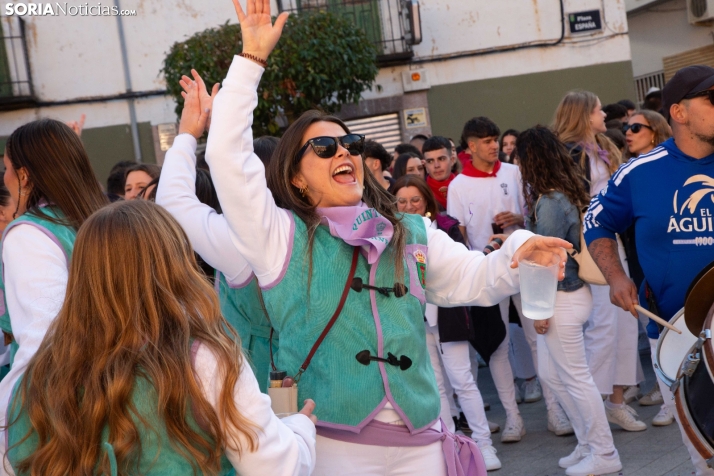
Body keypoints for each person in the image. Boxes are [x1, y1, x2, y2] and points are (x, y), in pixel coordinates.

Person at [202, 2, 569, 474]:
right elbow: (229, 160)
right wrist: (250, 61)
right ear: (294, 178)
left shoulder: (408, 230)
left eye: (351, 144)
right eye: (324, 147)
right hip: (334, 446)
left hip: (421, 442)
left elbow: (474, 277)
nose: (345, 152)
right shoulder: (280, 237)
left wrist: (520, 250)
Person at [4, 200, 317, 476]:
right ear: (173, 262)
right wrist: (299, 428)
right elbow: (272, 467)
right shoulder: (202, 357)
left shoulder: (43, 368)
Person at [584, 65, 714, 476]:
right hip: (676, 335)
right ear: (679, 112)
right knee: (706, 456)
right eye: (711, 99)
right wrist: (617, 277)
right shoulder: (639, 172)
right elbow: (596, 221)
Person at [156, 69, 276, 394]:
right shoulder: (314, 228)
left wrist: (188, 133)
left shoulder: (244, 245)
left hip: (263, 395)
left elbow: (172, 202)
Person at [0, 118, 108, 451]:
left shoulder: (29, 233)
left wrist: (7, 416)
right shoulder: (104, 218)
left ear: (25, 175)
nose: (3, 179)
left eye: (6, 168)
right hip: (120, 391)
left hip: (61, 413)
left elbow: (46, 339)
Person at [519, 126, 622, 476]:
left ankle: (605, 454)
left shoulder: (550, 201)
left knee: (576, 379)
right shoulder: (564, 194)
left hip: (561, 298)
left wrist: (541, 311)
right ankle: (587, 443)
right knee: (553, 375)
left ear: (529, 160)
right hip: (570, 296)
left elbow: (547, 260)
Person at [392, 175, 501, 470]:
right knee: (437, 385)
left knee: (463, 380)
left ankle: (484, 444)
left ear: (426, 202)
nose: (408, 206)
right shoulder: (391, 235)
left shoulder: (446, 230)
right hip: (418, 320)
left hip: (450, 318)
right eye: (401, 201)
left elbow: (467, 269)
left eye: (415, 199)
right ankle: (450, 444)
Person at [554, 90, 646, 432]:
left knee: (624, 322)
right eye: (597, 110)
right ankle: (589, 410)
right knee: (603, 328)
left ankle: (615, 401)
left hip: (613, 240)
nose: (604, 115)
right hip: (589, 244)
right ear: (582, 114)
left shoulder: (605, 147)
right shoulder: (567, 154)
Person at [447, 116, 531, 443]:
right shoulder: (458, 185)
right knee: (497, 346)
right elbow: (460, 235)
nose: (494, 145)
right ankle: (514, 417)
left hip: (524, 266)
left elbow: (530, 215)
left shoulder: (514, 172)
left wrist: (519, 219)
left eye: (495, 138)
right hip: (487, 273)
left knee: (539, 336)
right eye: (486, 140)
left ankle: (555, 408)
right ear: (470, 146)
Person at [422, 136, 456, 209]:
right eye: (430, 161)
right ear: (425, 165)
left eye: (441, 159)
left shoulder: (466, 186)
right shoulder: (421, 192)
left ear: (452, 160)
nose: (436, 165)